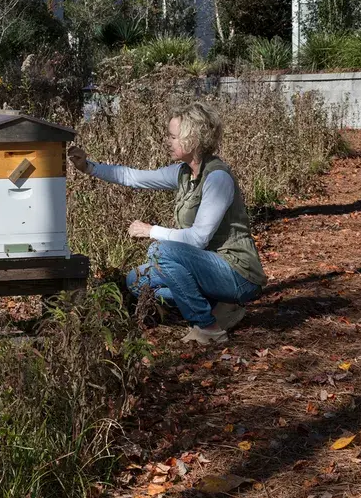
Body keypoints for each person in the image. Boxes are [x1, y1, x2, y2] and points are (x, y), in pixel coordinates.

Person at [68, 100, 267, 345]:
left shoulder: (217, 179)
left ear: (193, 139)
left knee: (160, 250)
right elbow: (134, 177)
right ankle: (220, 306)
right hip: (207, 268)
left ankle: (208, 327)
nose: (167, 141)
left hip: (237, 273)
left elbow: (197, 239)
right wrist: (88, 167)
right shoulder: (183, 173)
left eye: (173, 137)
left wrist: (151, 231)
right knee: (137, 280)